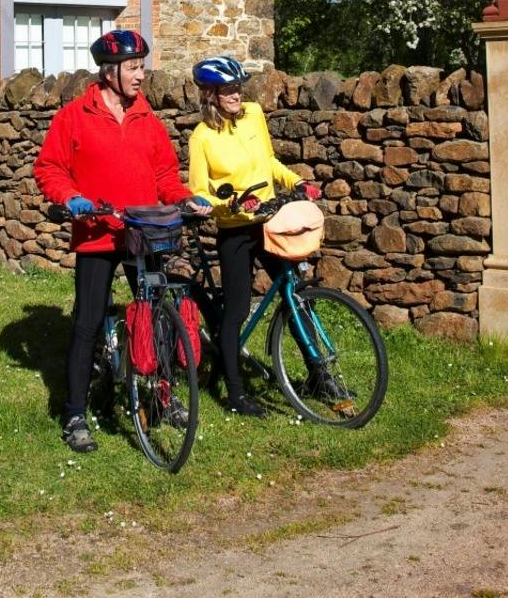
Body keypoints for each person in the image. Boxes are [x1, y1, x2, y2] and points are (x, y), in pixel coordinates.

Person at [34, 29, 204, 453]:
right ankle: (75, 414)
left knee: (155, 317)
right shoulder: (75, 116)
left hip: (143, 232)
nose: (141, 75)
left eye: (142, 66)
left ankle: (162, 396)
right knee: (88, 322)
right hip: (97, 233)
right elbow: (50, 168)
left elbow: (165, 176)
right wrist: (70, 197)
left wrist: (185, 199)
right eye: (133, 67)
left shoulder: (147, 118)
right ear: (109, 72)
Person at [186, 55, 319, 417]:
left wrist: (298, 182)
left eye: (238, 87)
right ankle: (235, 393)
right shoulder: (202, 138)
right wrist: (229, 204)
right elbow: (199, 194)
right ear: (210, 94)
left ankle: (319, 375)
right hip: (235, 230)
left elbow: (269, 162)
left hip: (269, 221)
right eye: (228, 89)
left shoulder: (254, 115)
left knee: (295, 294)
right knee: (237, 310)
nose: (236, 94)